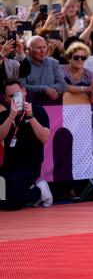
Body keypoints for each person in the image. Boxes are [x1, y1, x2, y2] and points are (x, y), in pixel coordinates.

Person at [0, 79, 51, 210]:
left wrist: (31, 116)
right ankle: (26, 191)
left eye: (17, 94)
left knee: (11, 203)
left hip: (29, 167)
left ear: (24, 92)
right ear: (6, 98)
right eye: (11, 96)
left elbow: (45, 137)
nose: (15, 98)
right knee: (2, 199)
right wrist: (11, 116)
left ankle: (39, 191)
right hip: (8, 167)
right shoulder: (5, 115)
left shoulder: (38, 111)